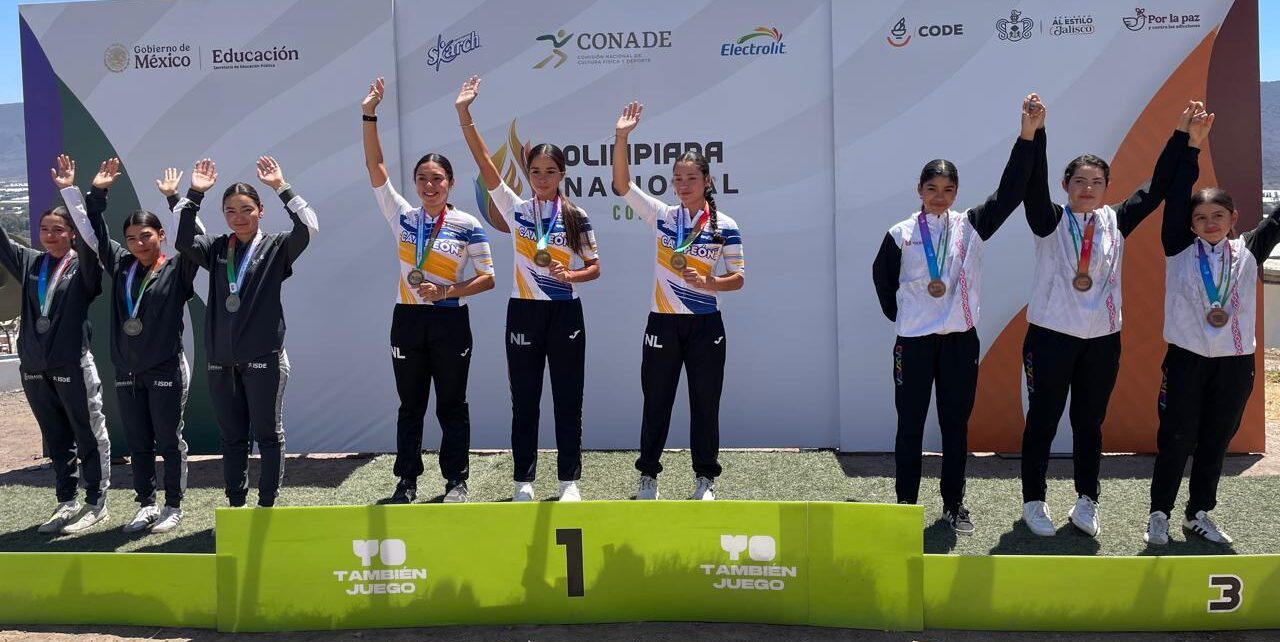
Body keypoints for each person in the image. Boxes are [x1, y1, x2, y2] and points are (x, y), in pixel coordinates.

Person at [1019, 101, 1197, 537]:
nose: (1088, 188)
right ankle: (1034, 500)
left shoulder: (1116, 220)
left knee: (1089, 423)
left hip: (1101, 340)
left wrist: (1181, 137)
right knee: (1042, 419)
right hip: (1050, 337)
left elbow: (1156, 188)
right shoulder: (1049, 220)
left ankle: (1087, 499)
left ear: (1106, 187)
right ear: (1065, 184)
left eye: (1096, 182)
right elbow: (1031, 184)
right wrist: (1036, 133)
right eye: (1079, 181)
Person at [871, 94, 1042, 533]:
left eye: (948, 190)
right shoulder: (899, 234)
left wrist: (1028, 136)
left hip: (960, 343)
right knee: (909, 426)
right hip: (913, 343)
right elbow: (882, 279)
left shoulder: (971, 226)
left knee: (955, 427)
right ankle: (905, 506)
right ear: (919, 190)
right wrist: (906, 317)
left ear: (957, 193)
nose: (940, 197)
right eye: (932, 189)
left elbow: (1010, 192)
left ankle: (953, 504)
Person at [456, 76, 600, 502]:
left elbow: (594, 268)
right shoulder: (516, 209)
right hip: (523, 311)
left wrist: (571, 276)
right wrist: (465, 114)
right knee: (525, 399)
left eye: (550, 171)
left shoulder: (576, 216)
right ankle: (523, 480)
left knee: (568, 398)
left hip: (565, 312)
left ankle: (568, 481)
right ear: (528, 173)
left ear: (562, 174)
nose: (541, 177)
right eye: (535, 171)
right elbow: (485, 161)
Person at [362, 77, 495, 504]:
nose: (429, 185)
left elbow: (488, 278)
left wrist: (449, 291)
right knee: (411, 405)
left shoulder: (468, 224)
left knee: (452, 405)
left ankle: (456, 481)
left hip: (450, 320)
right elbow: (376, 169)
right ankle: (407, 481)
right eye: (422, 179)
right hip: (408, 319)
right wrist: (369, 114)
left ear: (450, 183)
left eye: (437, 178)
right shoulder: (402, 216)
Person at [611, 101, 745, 501]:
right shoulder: (663, 215)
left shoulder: (726, 226)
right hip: (663, 322)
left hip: (706, 325)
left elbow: (738, 278)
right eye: (678, 179)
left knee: (705, 404)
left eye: (691, 178)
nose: (683, 185)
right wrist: (621, 137)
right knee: (656, 402)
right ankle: (648, 477)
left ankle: (705, 478)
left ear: (707, 181)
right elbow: (622, 184)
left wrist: (709, 282)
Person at [1146, 105, 1268, 545]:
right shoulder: (1178, 248)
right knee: (1176, 439)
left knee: (1216, 441)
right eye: (1200, 218)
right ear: (1191, 224)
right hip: (1186, 361)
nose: (1209, 223)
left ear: (1234, 219)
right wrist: (1191, 145)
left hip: (1235, 364)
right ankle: (1159, 513)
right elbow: (1177, 193)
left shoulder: (1249, 250)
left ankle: (1198, 513)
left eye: (1218, 216)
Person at [173, 156, 318, 508]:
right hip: (221, 360)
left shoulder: (276, 247)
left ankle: (267, 505)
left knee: (268, 434)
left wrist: (281, 187)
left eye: (246, 209)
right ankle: (236, 506)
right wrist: (194, 193)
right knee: (232, 437)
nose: (239, 217)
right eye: (231, 211)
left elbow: (308, 228)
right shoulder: (217, 248)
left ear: (260, 211)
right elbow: (183, 241)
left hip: (264, 357)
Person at [63, 158, 199, 534]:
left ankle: (173, 506)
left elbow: (192, 237)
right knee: (139, 442)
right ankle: (146, 505)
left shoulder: (177, 268)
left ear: (162, 236)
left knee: (169, 440)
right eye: (132, 238)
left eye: (146, 236)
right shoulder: (121, 265)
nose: (139, 243)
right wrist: (96, 193)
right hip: (127, 369)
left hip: (166, 367)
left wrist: (176, 200)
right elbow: (92, 231)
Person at [2, 155, 109, 534]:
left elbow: (94, 239)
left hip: (72, 364)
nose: (50, 235)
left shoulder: (84, 267)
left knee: (88, 433)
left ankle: (96, 502)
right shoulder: (30, 263)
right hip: (34, 366)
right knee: (57, 437)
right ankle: (67, 501)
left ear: (71, 234)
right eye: (44, 229)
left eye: (58, 230)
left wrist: (72, 192)